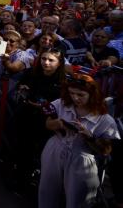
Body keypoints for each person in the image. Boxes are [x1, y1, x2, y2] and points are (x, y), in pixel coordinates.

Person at [38, 73, 120, 208]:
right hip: (55, 148)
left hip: (81, 158)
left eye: (81, 95)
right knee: (47, 191)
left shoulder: (104, 119)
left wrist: (90, 137)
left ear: (92, 94)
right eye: (71, 93)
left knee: (79, 199)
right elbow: (47, 124)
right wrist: (57, 124)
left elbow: (106, 150)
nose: (75, 98)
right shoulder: (62, 104)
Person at [12, 49, 66, 194]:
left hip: (46, 122)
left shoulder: (62, 82)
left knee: (42, 153)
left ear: (59, 63)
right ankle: (20, 181)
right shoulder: (31, 74)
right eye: (43, 59)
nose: (46, 62)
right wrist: (22, 89)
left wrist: (45, 106)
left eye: (51, 60)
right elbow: (20, 88)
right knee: (23, 149)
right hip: (26, 115)